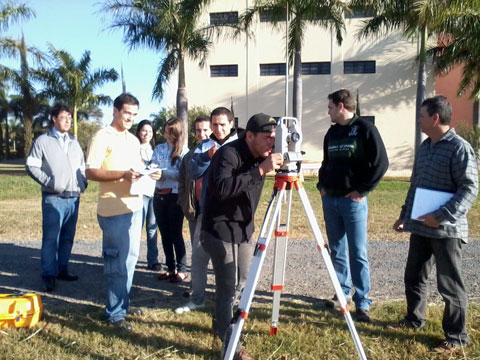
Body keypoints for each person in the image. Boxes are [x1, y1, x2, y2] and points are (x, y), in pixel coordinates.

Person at [392, 95, 478, 354]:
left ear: (435, 118)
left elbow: (469, 188)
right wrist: (404, 214)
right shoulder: (426, 146)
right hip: (419, 227)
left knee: (449, 284)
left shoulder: (460, 148)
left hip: (447, 230)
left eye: (421, 116)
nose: (419, 120)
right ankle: (413, 319)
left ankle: (456, 337)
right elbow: (415, 185)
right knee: (414, 276)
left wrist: (440, 216)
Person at [201, 113, 283, 359]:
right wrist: (259, 171)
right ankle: (232, 347)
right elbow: (224, 188)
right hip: (219, 230)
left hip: (244, 229)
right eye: (267, 138)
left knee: (242, 282)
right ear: (249, 136)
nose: (272, 143)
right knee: (227, 288)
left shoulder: (262, 156)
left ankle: (221, 322)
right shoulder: (229, 154)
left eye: (274, 139)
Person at [85, 93, 161, 331]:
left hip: (134, 206)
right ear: (115, 111)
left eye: (134, 115)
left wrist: (150, 173)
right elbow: (90, 171)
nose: (130, 118)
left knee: (129, 261)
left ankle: (122, 305)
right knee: (116, 262)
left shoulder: (131, 140)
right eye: (127, 113)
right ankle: (114, 314)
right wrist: (122, 174)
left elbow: (135, 170)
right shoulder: (101, 137)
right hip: (113, 210)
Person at [317, 89, 388, 323]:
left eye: (329, 107)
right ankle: (342, 294)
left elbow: (381, 163)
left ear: (340, 106)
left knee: (357, 252)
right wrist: (322, 185)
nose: (327, 111)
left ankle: (363, 302)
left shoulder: (365, 129)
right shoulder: (332, 132)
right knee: (336, 249)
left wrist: (363, 190)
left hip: (353, 202)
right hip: (331, 200)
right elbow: (326, 162)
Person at [175, 107, 241, 314]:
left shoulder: (241, 144)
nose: (218, 129)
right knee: (199, 256)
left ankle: (234, 302)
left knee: (234, 261)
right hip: (208, 211)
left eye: (222, 124)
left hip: (234, 213)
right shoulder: (205, 145)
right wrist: (207, 158)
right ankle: (197, 299)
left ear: (231, 124)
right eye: (215, 124)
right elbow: (193, 171)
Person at [26, 103, 87, 292]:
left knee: (68, 237)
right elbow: (31, 165)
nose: (68, 120)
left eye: (70, 117)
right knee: (51, 238)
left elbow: (82, 166)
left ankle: (62, 269)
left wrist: (82, 183)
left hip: (73, 197)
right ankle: (48, 275)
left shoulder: (74, 142)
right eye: (64, 117)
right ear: (54, 119)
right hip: (53, 198)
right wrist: (50, 182)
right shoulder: (42, 141)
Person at [151, 117, 188, 283]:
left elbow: (183, 175)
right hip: (159, 195)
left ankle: (182, 269)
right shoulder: (159, 148)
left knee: (175, 233)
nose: (166, 136)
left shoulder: (184, 152)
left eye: (170, 133)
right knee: (164, 233)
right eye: (165, 132)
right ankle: (170, 267)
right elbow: (153, 164)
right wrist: (151, 170)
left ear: (177, 134)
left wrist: (164, 173)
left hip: (175, 196)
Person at [135, 120, 160, 270]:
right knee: (137, 227)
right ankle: (132, 258)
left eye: (150, 131)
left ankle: (153, 260)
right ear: (138, 132)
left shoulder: (156, 150)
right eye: (144, 131)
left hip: (153, 193)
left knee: (152, 227)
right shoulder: (133, 148)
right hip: (140, 192)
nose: (147, 134)